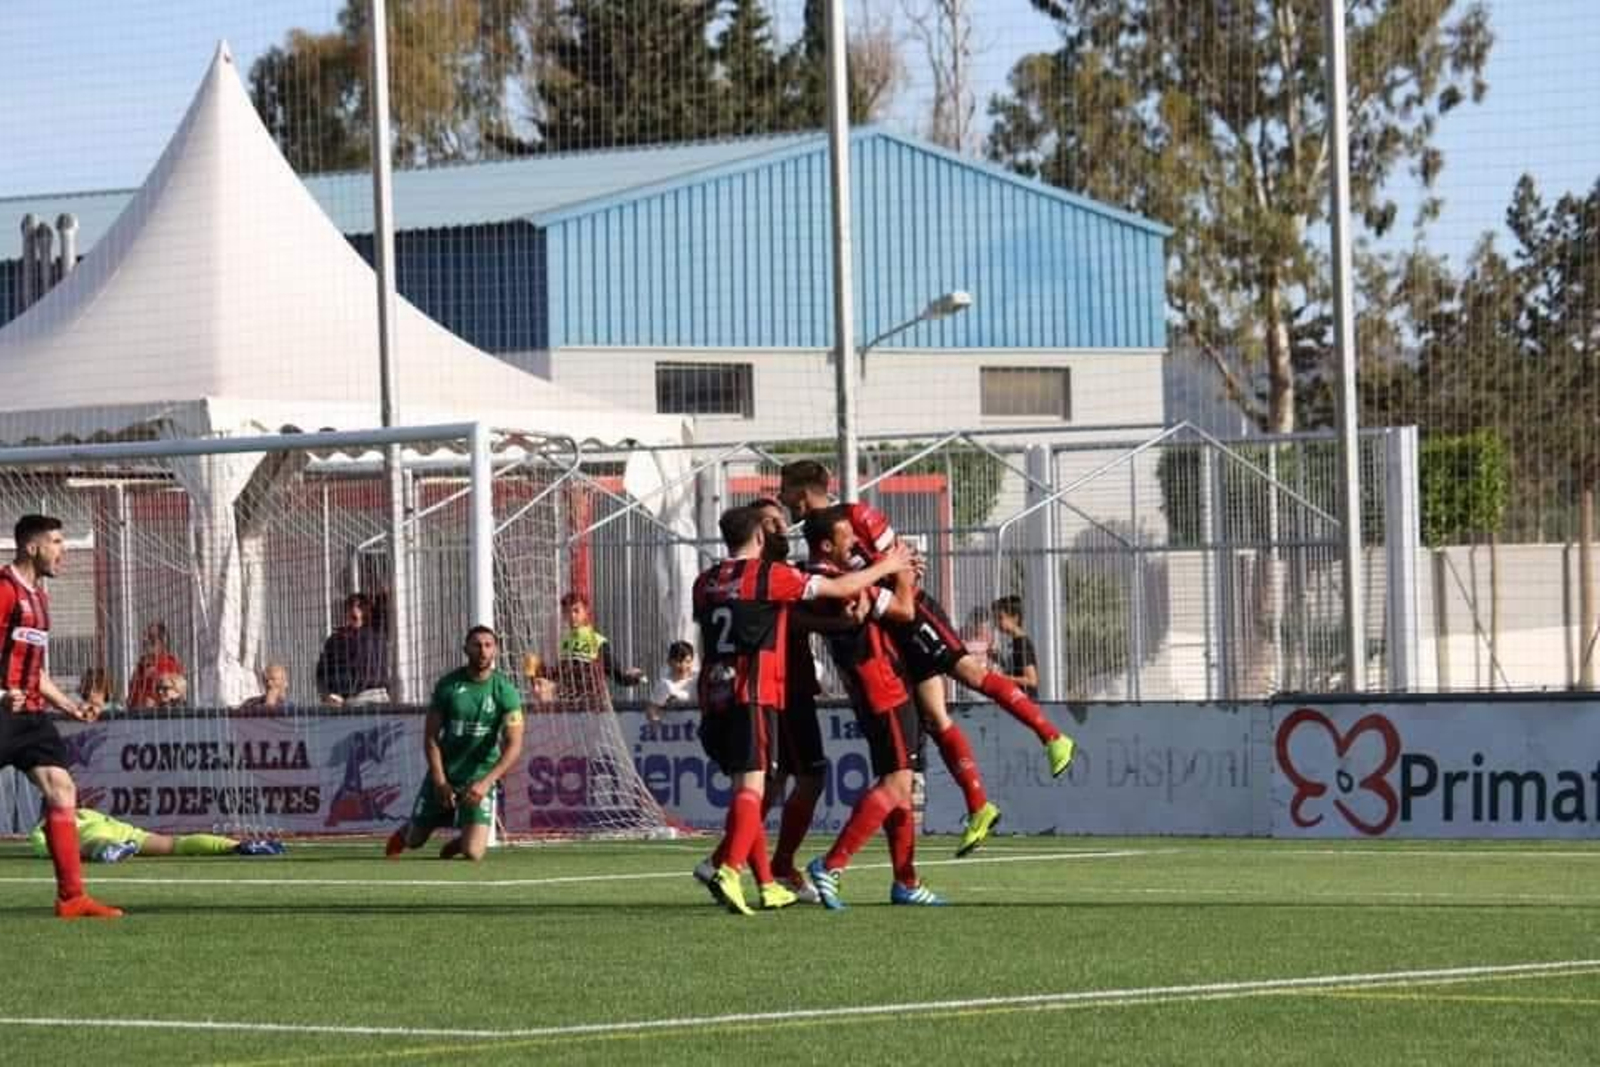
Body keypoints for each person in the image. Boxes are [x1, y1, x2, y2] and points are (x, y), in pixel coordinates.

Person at [779, 460, 1078, 857]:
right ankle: (978, 806)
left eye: (784, 490)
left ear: (800, 492)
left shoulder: (857, 516)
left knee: (970, 672)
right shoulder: (818, 541)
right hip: (888, 627)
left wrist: (899, 590)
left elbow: (903, 564)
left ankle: (1052, 736)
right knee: (936, 719)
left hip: (912, 613)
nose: (781, 499)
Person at [690, 504, 914, 916]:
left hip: (714, 692)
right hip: (757, 691)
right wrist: (890, 565)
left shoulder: (704, 582)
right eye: (772, 524)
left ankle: (764, 880)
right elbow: (834, 590)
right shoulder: (772, 576)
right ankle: (729, 867)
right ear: (758, 535)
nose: (781, 529)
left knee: (756, 786)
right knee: (761, 787)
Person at [802, 505, 944, 908]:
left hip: (868, 688)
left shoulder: (819, 578)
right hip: (883, 687)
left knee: (899, 782)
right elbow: (904, 609)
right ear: (828, 545)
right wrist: (899, 571)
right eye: (848, 538)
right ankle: (832, 864)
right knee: (898, 783)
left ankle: (906, 880)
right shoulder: (839, 581)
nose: (856, 543)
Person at [0, 514, 122, 918]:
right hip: (3, 712)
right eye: (55, 542)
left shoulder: (40, 597)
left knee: (61, 788)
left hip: (31, 717)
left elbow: (34, 672)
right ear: (31, 547)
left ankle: (72, 898)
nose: (63, 550)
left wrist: (69, 705)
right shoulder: (4, 591)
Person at [385, 626, 525, 862]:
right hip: (445, 774)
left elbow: (514, 745)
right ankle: (406, 832)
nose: (482, 651)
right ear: (465, 649)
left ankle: (457, 844)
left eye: (488, 645)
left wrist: (486, 783)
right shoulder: (448, 686)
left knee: (473, 853)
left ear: (496, 651)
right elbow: (431, 737)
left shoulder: (506, 691)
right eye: (477, 645)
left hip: (479, 778)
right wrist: (440, 782)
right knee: (415, 841)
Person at [28, 807, 286, 862]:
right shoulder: (86, 810)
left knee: (85, 843)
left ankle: (109, 850)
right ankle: (238, 846)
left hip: (98, 834)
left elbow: (49, 849)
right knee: (176, 844)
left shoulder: (42, 827)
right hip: (127, 831)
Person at [555, 591, 644, 708]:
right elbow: (560, 676)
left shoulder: (597, 641)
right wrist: (540, 670)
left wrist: (634, 677)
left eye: (576, 611)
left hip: (592, 707)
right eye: (567, 611)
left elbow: (617, 675)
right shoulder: (564, 643)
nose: (572, 616)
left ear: (586, 611)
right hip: (568, 707)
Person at [316, 593, 389, 705]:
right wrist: (328, 694)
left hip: (374, 696)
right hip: (347, 698)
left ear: (367, 611)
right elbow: (322, 670)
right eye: (350, 606)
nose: (354, 609)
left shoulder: (376, 636)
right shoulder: (337, 639)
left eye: (359, 606)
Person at [126, 620, 184, 709]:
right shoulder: (140, 667)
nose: (145, 640)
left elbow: (173, 699)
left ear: (162, 644)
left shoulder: (171, 666)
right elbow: (131, 699)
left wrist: (156, 704)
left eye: (151, 638)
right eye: (145, 637)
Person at [992, 595, 1040, 698]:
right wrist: (999, 660)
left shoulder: (1022, 643)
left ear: (1015, 618)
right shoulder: (1016, 641)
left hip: (1026, 701)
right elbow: (1017, 671)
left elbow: (1032, 680)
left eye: (1000, 617)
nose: (996, 623)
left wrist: (1002, 678)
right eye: (995, 618)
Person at [645, 641, 697, 723]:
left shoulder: (698, 678)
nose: (684, 666)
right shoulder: (665, 684)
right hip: (676, 730)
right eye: (679, 661)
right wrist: (656, 721)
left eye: (688, 661)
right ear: (669, 662)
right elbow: (651, 710)